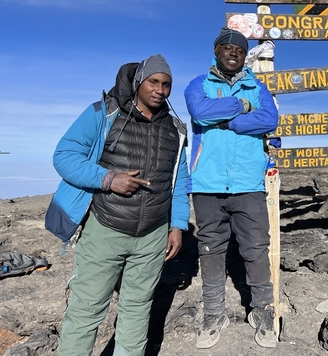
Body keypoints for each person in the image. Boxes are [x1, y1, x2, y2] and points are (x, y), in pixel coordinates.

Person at [49, 55, 190, 356]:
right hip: (105, 228)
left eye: (166, 84)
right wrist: (109, 179)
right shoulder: (104, 112)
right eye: (154, 82)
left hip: (152, 236)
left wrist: (177, 225)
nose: (160, 90)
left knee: (138, 310)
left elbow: (178, 181)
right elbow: (64, 156)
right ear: (139, 81)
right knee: (87, 309)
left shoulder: (176, 129)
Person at [184, 27, 279, 349]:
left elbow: (270, 120)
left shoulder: (258, 86)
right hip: (207, 182)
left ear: (243, 54)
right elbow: (200, 111)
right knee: (210, 250)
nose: (233, 53)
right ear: (216, 51)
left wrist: (230, 118)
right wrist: (242, 105)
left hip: (248, 184)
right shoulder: (199, 85)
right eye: (227, 48)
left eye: (239, 49)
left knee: (255, 249)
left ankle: (262, 311)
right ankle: (214, 314)